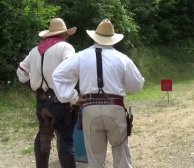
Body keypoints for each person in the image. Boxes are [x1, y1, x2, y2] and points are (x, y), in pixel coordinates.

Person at [52, 19, 144, 168]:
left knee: (95, 160)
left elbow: (58, 75)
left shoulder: (81, 56)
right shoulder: (122, 58)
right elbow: (137, 85)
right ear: (113, 39)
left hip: (90, 109)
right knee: (121, 157)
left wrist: (72, 97)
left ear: (95, 36)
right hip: (115, 109)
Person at [16, 18, 78, 168]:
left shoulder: (35, 50)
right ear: (63, 34)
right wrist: (73, 95)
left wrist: (34, 86)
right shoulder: (65, 47)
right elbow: (72, 69)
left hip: (42, 102)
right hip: (61, 103)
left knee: (43, 137)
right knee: (65, 140)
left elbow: (21, 73)